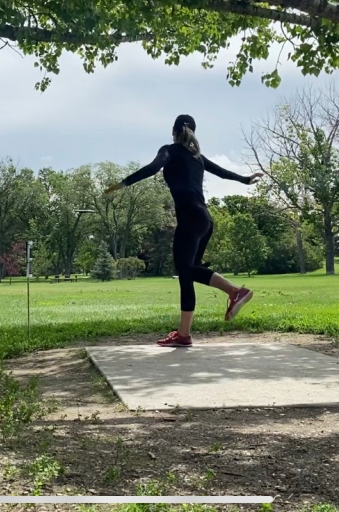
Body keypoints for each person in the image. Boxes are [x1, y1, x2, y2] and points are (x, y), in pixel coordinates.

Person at [105, 114, 262, 347]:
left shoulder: (170, 150)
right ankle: (184, 333)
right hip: (205, 221)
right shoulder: (197, 157)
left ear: (173, 132)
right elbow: (222, 172)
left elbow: (152, 168)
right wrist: (246, 180)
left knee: (186, 270)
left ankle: (234, 292)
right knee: (188, 272)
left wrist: (122, 184)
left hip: (189, 219)